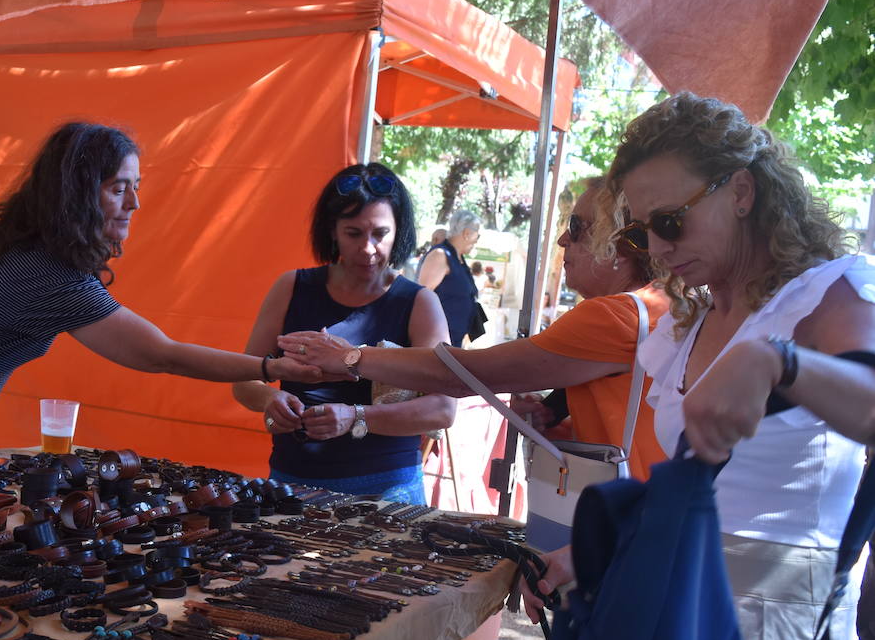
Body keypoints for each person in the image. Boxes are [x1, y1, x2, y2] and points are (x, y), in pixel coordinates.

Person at [526, 92, 875, 640]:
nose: (655, 249)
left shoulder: (827, 293)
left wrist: (782, 364)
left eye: (670, 221)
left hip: (760, 612)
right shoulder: (696, 311)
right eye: (642, 230)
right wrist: (607, 552)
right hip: (675, 592)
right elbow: (691, 478)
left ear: (742, 191)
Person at [0, 122, 321, 455]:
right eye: (119, 188)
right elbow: (160, 354)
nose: (134, 203)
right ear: (78, 195)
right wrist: (270, 366)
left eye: (136, 187)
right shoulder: (51, 276)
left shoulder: (11, 238)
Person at [279, 177, 670, 483]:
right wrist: (554, 420)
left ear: (618, 244)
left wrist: (352, 356)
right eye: (353, 232)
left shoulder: (614, 315)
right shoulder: (658, 305)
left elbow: (462, 375)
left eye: (577, 227)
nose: (563, 239)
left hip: (632, 519)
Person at [231, 163, 456, 504]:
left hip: (388, 490)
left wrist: (356, 417)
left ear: (399, 232)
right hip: (293, 484)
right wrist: (270, 400)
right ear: (332, 231)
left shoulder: (420, 303)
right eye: (354, 234)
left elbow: (443, 409)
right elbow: (244, 379)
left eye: (380, 234)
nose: (368, 248)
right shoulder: (291, 287)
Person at [418, 210, 483, 347]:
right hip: (437, 345)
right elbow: (420, 297)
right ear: (467, 233)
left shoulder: (458, 258)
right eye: (478, 235)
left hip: (454, 342)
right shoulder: (440, 255)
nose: (477, 240)